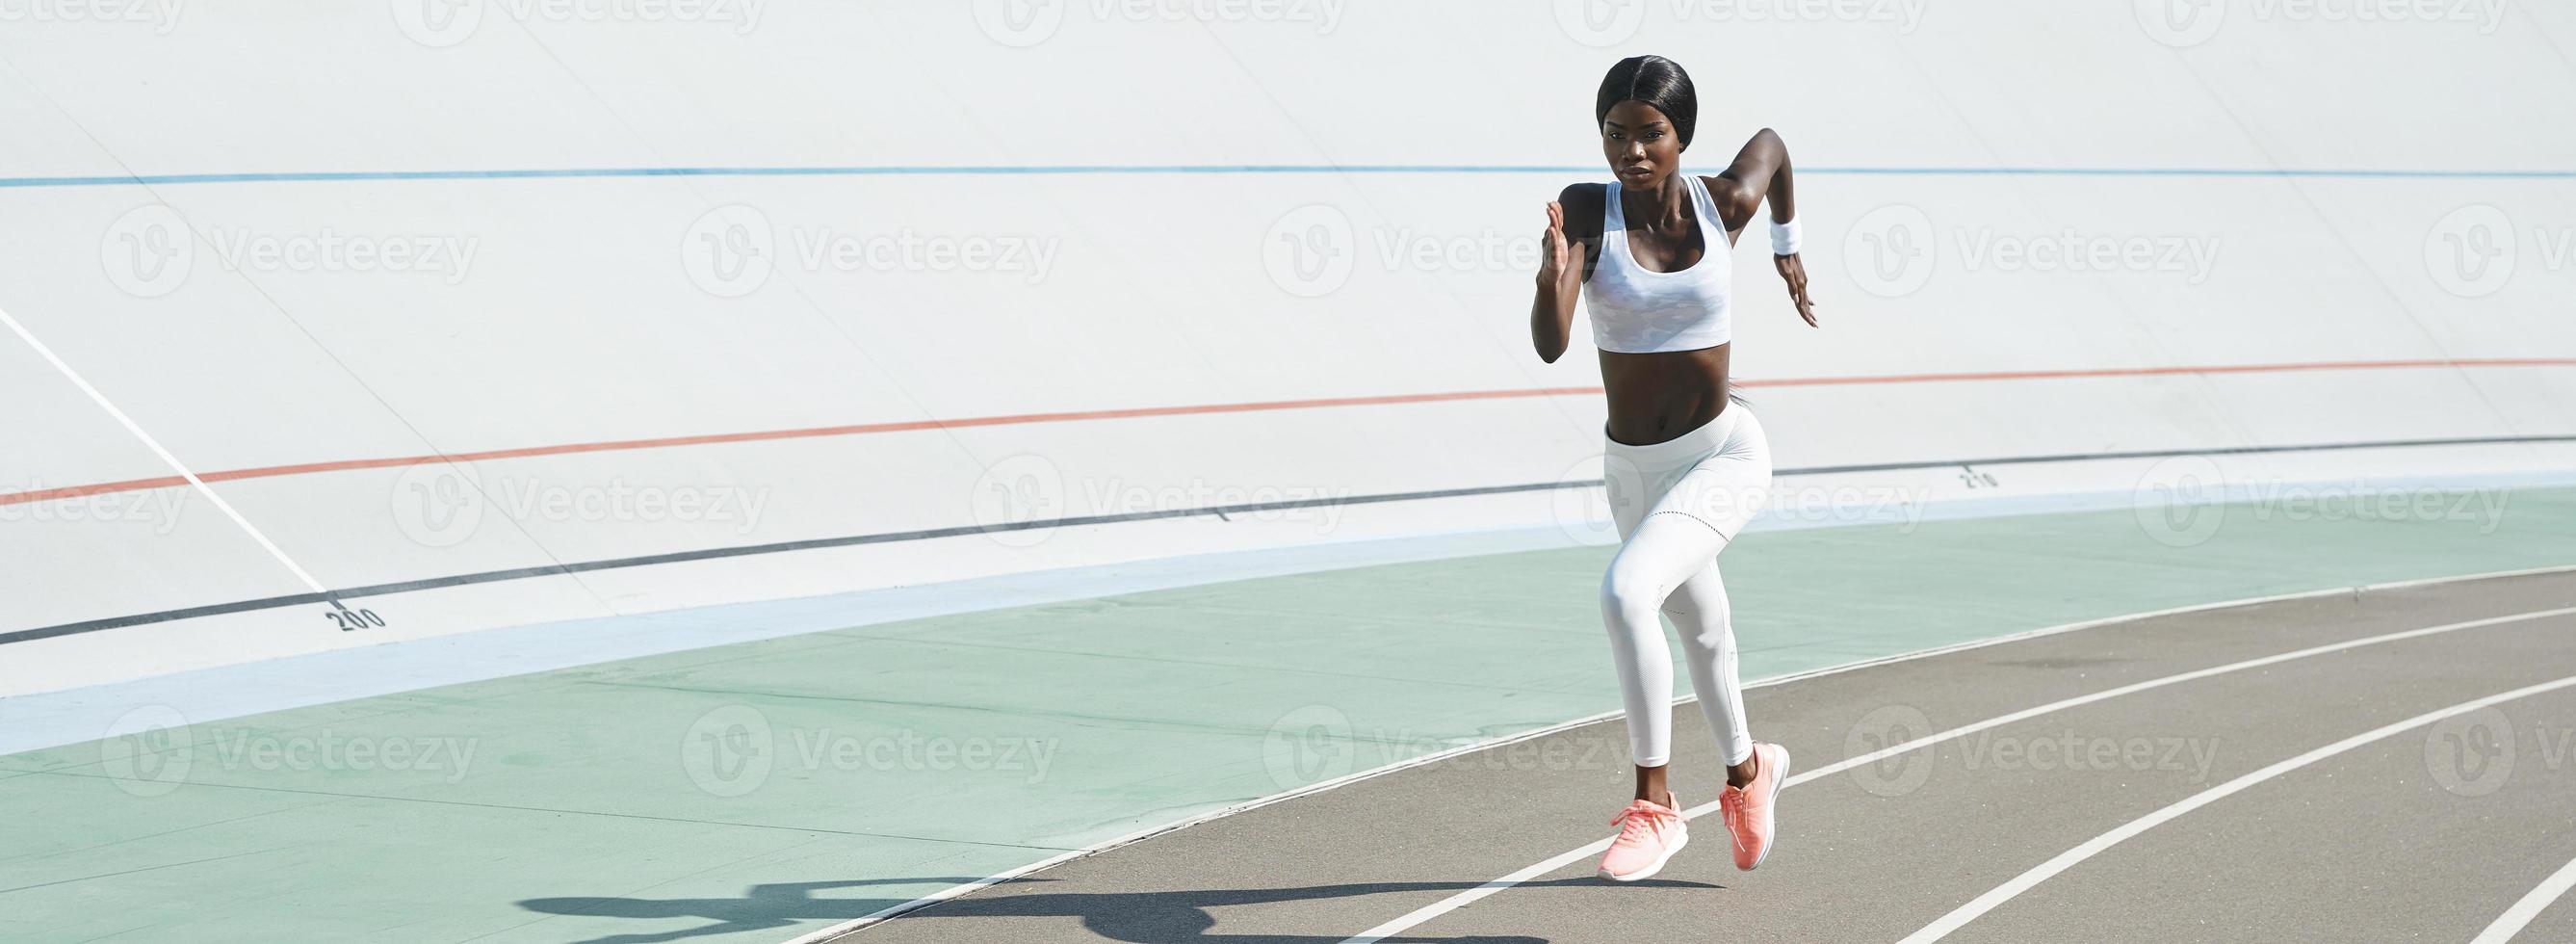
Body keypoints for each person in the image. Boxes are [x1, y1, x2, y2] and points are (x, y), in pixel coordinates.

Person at [1529, 53, 1820, 882]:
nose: (1631, 149)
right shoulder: (1586, 211)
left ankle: (1655, 806)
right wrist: (1556, 277)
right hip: (1635, 469)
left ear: (1679, 134)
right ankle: (1747, 771)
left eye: (1649, 133)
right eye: (1615, 134)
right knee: (1700, 630)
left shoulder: (1722, 202)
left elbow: (1774, 144)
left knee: (1625, 592)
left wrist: (1784, 247)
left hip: (1723, 453)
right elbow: (1551, 344)